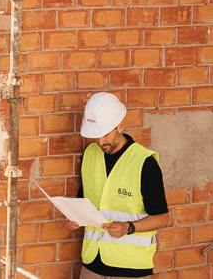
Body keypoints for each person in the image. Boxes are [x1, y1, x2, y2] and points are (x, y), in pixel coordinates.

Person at [68, 92, 171, 278]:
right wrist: (75, 218)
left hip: (130, 269)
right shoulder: (90, 154)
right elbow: (85, 201)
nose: (100, 142)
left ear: (120, 127)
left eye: (106, 135)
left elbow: (163, 218)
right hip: (92, 264)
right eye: (96, 136)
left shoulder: (144, 162)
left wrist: (128, 227)